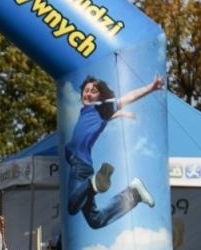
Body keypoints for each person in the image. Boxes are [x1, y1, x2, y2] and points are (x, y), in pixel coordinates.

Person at [65, 74, 164, 229]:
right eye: (86, 90)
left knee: (72, 206)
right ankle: (133, 194)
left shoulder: (102, 107)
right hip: (85, 167)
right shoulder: (89, 111)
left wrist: (151, 88)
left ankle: (93, 184)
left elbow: (128, 97)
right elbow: (102, 119)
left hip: (79, 164)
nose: (88, 93)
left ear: (101, 96)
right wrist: (120, 115)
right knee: (95, 220)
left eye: (93, 91)